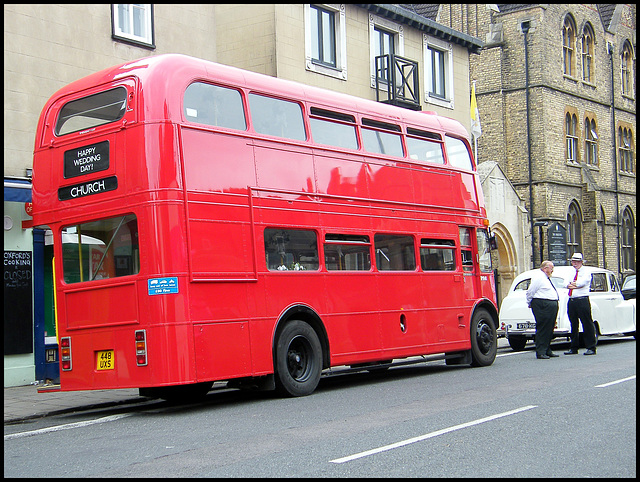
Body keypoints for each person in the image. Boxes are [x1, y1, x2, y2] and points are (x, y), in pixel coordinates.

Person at [563, 253, 597, 355]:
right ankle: (574, 347)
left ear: (581, 262)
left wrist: (574, 284)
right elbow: (565, 283)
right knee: (573, 324)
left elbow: (582, 283)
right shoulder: (570, 272)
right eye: (573, 261)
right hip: (572, 300)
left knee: (587, 323)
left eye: (577, 262)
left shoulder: (586, 271)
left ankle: (591, 347)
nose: (574, 264)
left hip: (582, 300)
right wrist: (571, 285)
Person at [526, 260, 560, 359]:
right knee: (543, 327)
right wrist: (529, 302)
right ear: (545, 268)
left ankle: (547, 349)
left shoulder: (545, 278)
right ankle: (541, 351)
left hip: (549, 304)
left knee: (549, 328)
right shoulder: (539, 277)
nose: (552, 270)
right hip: (542, 304)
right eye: (551, 268)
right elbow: (530, 291)